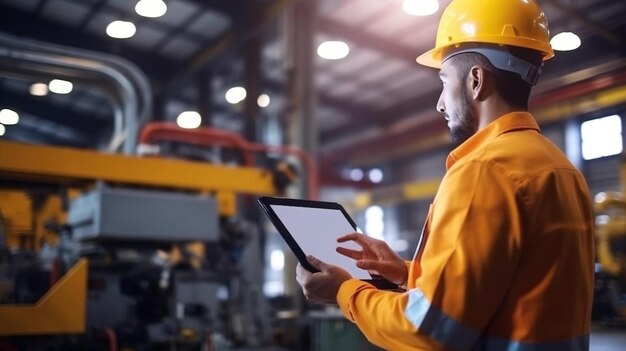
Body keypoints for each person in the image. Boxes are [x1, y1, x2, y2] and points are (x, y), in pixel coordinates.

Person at [295, 0, 595, 350]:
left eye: (444, 81)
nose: (440, 103)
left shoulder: (483, 170)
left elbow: (430, 331)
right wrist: (408, 273)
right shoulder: (559, 167)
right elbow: (514, 284)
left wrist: (345, 291)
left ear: (476, 81)